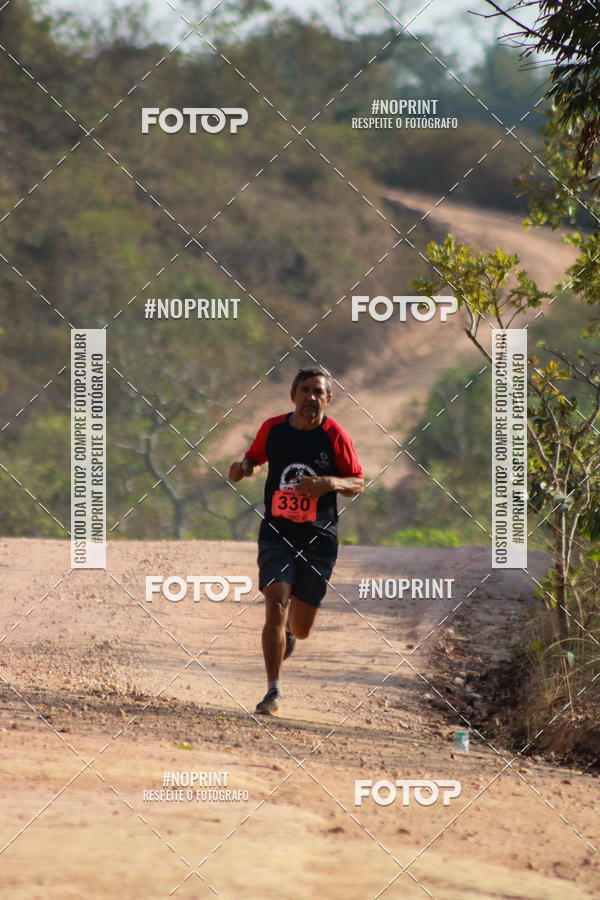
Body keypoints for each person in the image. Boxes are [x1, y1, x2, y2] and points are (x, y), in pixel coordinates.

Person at [228, 368, 364, 716]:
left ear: (328, 399)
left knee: (301, 629)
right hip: (278, 532)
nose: (311, 397)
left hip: (319, 539)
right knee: (275, 602)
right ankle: (273, 691)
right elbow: (254, 458)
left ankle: (289, 634)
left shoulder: (335, 436)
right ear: (293, 395)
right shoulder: (274, 429)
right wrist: (243, 468)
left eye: (318, 392)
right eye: (304, 390)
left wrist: (329, 483)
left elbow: (358, 483)